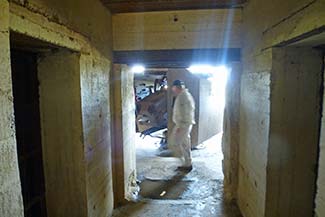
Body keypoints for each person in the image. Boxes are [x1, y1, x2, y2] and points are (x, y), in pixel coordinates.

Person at [169, 80, 195, 171]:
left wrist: (180, 126)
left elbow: (184, 113)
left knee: (174, 143)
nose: (173, 90)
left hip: (183, 124)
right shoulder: (185, 95)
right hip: (186, 124)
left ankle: (185, 163)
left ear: (177, 88)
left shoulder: (182, 97)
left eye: (174, 88)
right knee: (185, 143)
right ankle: (187, 163)